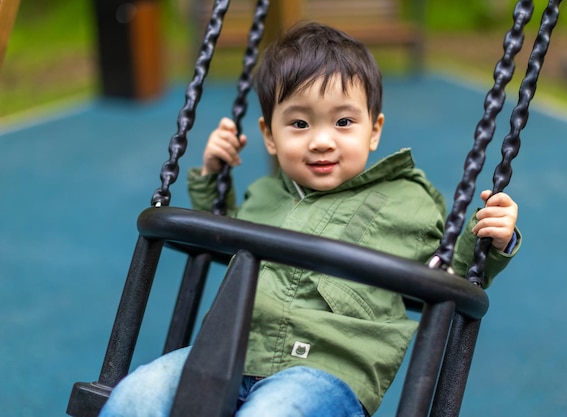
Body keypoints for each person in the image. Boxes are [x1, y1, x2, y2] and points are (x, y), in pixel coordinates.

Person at [100, 22, 520, 417]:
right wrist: (211, 175)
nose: (322, 140)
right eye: (299, 123)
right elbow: (215, 234)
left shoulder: (407, 201)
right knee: (135, 397)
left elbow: (449, 273)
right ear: (269, 135)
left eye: (343, 122)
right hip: (225, 353)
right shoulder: (263, 195)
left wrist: (490, 237)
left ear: (374, 130)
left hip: (324, 375)